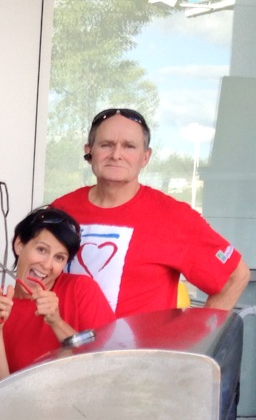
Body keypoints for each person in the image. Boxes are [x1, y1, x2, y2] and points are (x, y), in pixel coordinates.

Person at [53, 108, 248, 317]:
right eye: (106, 145)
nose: (116, 155)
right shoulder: (60, 211)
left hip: (138, 350)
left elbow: (235, 276)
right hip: (65, 347)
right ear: (89, 151)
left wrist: (198, 336)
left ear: (145, 157)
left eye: (129, 146)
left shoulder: (174, 216)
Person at [0, 207, 114, 388]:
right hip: (21, 412)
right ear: (19, 245)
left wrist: (56, 322)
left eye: (59, 258)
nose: (47, 265)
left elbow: (107, 363)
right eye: (41, 249)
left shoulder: (80, 289)